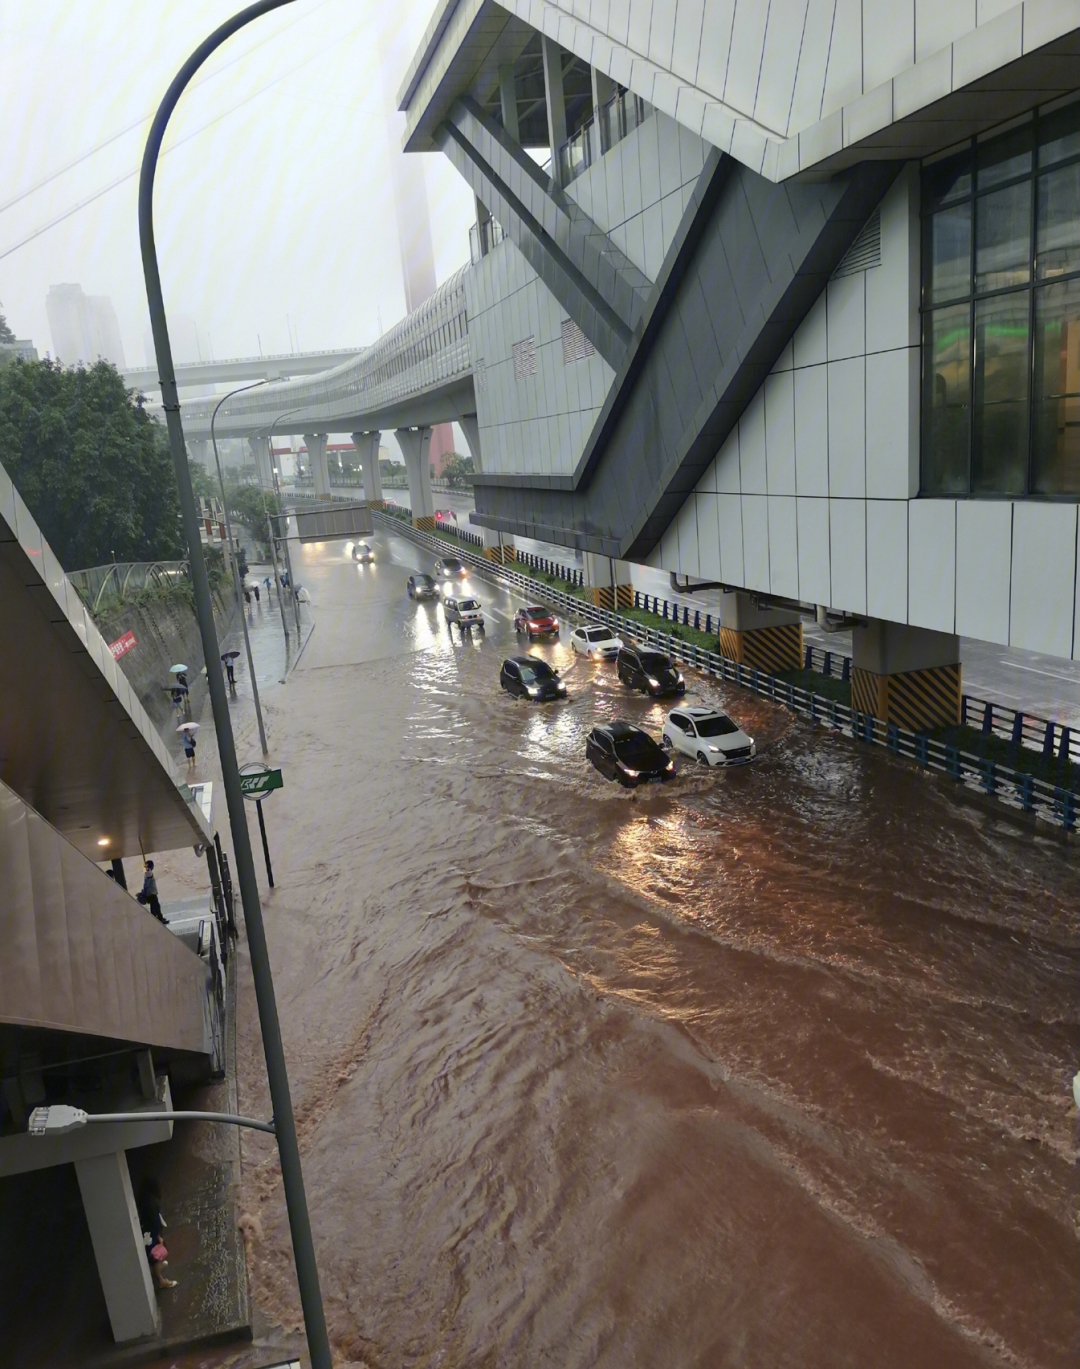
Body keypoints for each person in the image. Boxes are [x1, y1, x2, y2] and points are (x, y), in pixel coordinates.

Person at [137, 1179, 177, 1290]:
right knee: (156, 1254)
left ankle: (158, 1274)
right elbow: (154, 1222)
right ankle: (160, 1278)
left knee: (153, 1254)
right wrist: (158, 1235)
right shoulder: (151, 1204)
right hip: (151, 1235)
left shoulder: (143, 1201)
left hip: (146, 1234)